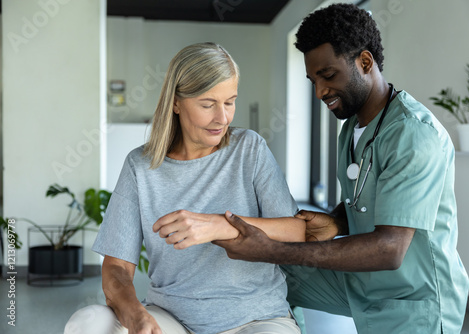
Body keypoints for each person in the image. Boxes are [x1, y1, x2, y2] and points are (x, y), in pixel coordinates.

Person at [213, 4, 469, 333]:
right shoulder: (352, 127)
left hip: (413, 298)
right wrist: (336, 220)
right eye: (313, 80)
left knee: (273, 259)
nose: (320, 92)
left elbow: (389, 249)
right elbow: (369, 197)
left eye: (328, 75)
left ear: (365, 62)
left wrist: (274, 249)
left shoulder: (413, 135)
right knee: (272, 276)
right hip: (366, 283)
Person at [64, 42, 305, 334]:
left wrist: (220, 226)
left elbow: (296, 232)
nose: (223, 118)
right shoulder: (140, 167)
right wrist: (135, 315)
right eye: (207, 104)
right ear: (176, 103)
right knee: (88, 324)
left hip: (256, 318)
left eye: (229, 102)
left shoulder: (250, 149)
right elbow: (117, 267)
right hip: (172, 318)